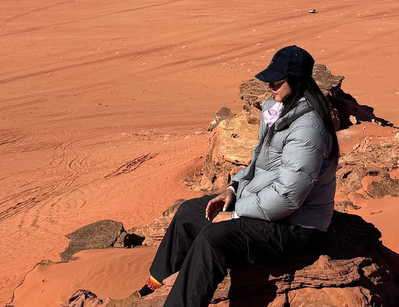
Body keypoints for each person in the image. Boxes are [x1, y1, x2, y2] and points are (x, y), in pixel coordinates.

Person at [137, 45, 338, 307]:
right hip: (269, 210)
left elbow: (287, 197)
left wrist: (235, 214)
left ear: (297, 81)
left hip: (296, 227)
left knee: (213, 238)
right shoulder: (278, 113)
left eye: (277, 80)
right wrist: (232, 190)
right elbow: (257, 167)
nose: (270, 86)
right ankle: (156, 282)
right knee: (189, 212)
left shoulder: (307, 129)